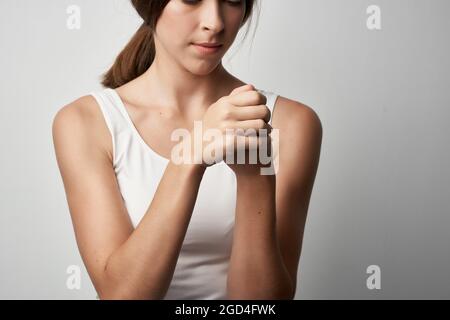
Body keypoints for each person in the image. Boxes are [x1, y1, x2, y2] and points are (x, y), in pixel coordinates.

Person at [52, 0, 322, 300]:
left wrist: (254, 178)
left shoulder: (291, 122)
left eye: (232, 0)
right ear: (149, 6)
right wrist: (190, 155)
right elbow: (122, 296)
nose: (215, 22)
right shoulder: (86, 122)